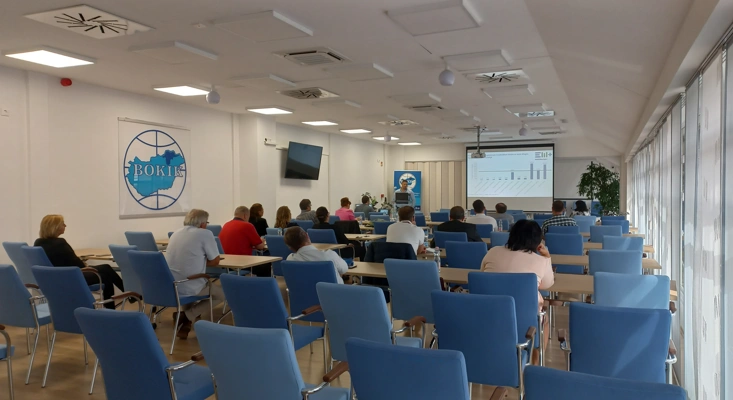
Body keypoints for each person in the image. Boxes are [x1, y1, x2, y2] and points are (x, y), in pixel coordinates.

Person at [33, 214, 124, 309]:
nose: (65, 225)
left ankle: (120, 300)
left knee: (106, 269)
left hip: (56, 278)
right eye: (62, 224)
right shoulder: (60, 243)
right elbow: (79, 265)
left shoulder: (38, 242)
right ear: (55, 227)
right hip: (71, 277)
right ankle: (126, 296)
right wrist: (85, 265)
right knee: (106, 274)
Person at [165, 209, 224, 337]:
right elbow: (215, 261)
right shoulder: (205, 233)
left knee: (190, 278)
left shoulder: (175, 233)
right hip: (191, 283)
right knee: (223, 295)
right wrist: (198, 261)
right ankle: (186, 316)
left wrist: (195, 260)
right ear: (203, 223)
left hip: (173, 284)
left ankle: (184, 325)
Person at [480, 219, 554, 312]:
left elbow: (482, 276)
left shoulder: (492, 252)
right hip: (525, 314)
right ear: (538, 241)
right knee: (544, 315)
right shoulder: (541, 261)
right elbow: (547, 284)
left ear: (511, 235)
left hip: (489, 310)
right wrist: (547, 256)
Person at [284, 227, 348, 284]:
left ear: (290, 248)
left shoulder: (290, 259)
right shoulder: (329, 255)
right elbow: (344, 269)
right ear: (307, 236)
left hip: (304, 293)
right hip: (331, 292)